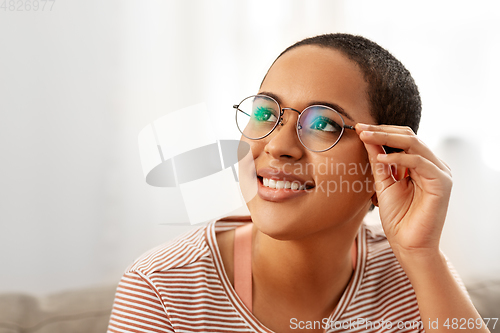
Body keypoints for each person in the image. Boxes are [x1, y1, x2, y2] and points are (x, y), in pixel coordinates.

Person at [107, 34, 489, 332]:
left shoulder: (415, 275)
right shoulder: (161, 290)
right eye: (264, 112)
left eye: (324, 124)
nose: (277, 146)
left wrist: (423, 256)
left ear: (384, 167)